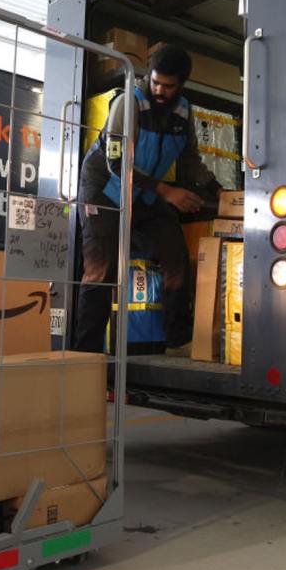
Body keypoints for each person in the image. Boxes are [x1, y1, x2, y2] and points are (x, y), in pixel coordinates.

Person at [73, 44, 222, 355]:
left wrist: (218, 190)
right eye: (155, 82)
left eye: (168, 86)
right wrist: (168, 192)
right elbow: (116, 164)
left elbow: (190, 159)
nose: (159, 90)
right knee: (101, 271)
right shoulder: (128, 104)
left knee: (175, 257)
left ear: (181, 85)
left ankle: (178, 343)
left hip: (143, 194)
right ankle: (84, 356)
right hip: (105, 190)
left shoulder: (183, 112)